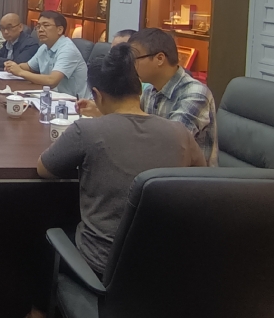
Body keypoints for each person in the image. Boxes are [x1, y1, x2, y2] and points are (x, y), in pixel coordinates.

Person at [28, 45, 205, 317]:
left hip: (101, 265)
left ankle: (38, 313)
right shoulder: (180, 132)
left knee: (44, 237)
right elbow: (200, 179)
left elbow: (44, 169)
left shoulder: (87, 130)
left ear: (97, 95)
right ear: (139, 90)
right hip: (168, 264)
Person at [75, 28, 218, 166]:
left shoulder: (195, 94)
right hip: (155, 168)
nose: (129, 66)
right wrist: (100, 109)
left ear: (159, 59)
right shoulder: (150, 90)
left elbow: (172, 143)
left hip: (189, 178)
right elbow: (133, 121)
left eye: (133, 59)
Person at [4, 11, 88, 98]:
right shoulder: (44, 47)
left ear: (60, 30)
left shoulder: (68, 49)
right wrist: (13, 66)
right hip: (53, 96)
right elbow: (29, 67)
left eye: (46, 25)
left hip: (75, 102)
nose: (40, 30)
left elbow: (52, 81)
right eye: (38, 26)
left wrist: (20, 72)